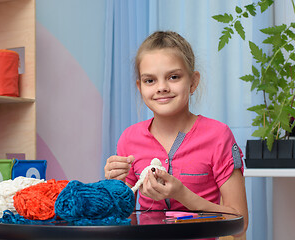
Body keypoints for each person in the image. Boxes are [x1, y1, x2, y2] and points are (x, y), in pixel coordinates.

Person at [104, 31, 248, 237]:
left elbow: (240, 222)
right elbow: (118, 217)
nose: (162, 87)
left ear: (193, 82)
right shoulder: (129, 139)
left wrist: (183, 195)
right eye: (150, 80)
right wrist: (112, 184)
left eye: (173, 77)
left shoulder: (218, 136)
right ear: (140, 87)